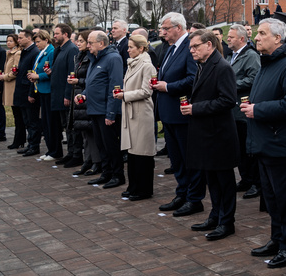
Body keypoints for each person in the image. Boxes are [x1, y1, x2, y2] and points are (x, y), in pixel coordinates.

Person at [241, 17, 286, 269]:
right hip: (265, 142)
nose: (256, 38)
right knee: (271, 199)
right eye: (257, 33)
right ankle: (277, 239)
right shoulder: (267, 63)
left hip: (282, 145)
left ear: (278, 39)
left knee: (285, 200)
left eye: (262, 33)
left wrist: (258, 110)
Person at [180, 29, 239, 240]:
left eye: (196, 46)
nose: (192, 51)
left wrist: (196, 108)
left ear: (209, 45)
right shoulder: (202, 65)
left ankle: (227, 221)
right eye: (190, 47)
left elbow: (228, 101)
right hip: (206, 134)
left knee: (224, 181)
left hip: (219, 135)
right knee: (211, 179)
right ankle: (215, 215)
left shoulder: (222, 67)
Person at [154, 13, 203, 217]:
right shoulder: (170, 48)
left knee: (188, 158)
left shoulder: (188, 47)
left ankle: (194, 199)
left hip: (182, 113)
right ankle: (181, 193)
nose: (162, 32)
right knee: (176, 160)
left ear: (178, 27)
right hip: (168, 113)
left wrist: (168, 87)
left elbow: (193, 78)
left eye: (166, 29)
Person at [117, 33, 157, 201]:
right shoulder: (132, 64)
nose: (128, 50)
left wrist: (125, 95)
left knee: (142, 154)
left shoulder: (147, 66)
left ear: (141, 48)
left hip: (141, 114)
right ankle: (133, 186)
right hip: (131, 112)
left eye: (131, 47)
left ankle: (144, 189)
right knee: (132, 153)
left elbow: (147, 91)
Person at [83, 30, 125, 188]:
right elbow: (94, 81)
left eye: (90, 43)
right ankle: (106, 173)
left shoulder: (113, 58)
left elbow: (115, 87)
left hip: (106, 111)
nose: (88, 46)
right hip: (94, 109)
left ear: (101, 44)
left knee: (111, 145)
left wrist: (111, 113)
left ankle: (117, 175)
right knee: (101, 144)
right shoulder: (94, 58)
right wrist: (85, 94)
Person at [227, 24, 261, 199]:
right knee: (239, 148)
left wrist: (231, 85)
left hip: (244, 109)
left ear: (242, 39)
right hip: (234, 110)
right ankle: (245, 178)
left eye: (231, 37)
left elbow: (254, 78)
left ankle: (256, 182)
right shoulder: (232, 56)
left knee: (249, 149)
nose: (228, 39)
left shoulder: (251, 56)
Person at [67, 30, 99, 175]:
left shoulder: (91, 58)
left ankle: (96, 161)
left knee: (90, 132)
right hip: (79, 96)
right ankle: (88, 160)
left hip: (87, 97)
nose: (77, 43)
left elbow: (94, 80)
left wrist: (78, 81)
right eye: (77, 40)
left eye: (81, 41)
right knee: (84, 132)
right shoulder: (79, 57)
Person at [48, 24, 77, 162]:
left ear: (65, 34)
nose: (54, 36)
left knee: (69, 126)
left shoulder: (71, 49)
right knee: (65, 126)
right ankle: (69, 153)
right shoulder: (59, 50)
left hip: (65, 95)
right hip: (57, 94)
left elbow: (71, 73)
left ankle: (73, 154)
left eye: (57, 33)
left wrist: (67, 95)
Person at [27, 30, 56, 159]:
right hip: (41, 89)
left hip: (48, 90)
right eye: (35, 42)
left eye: (38, 41)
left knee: (50, 122)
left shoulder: (51, 52)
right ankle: (50, 150)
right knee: (44, 121)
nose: (36, 44)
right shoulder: (41, 52)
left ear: (46, 40)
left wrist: (38, 76)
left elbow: (52, 71)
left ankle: (54, 150)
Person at [14, 30, 40, 155]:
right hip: (21, 91)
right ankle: (30, 144)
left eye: (20, 38)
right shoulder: (25, 52)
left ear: (29, 38)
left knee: (32, 120)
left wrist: (31, 93)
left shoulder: (34, 52)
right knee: (26, 120)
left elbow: (32, 74)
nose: (18, 40)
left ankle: (34, 146)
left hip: (28, 92)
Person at [0, 34, 20, 143]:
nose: (8, 43)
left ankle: (18, 139)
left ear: (16, 42)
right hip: (8, 85)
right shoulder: (9, 53)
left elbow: (15, 71)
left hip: (13, 86)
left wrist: (5, 76)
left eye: (11, 41)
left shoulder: (17, 54)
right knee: (15, 114)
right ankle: (17, 139)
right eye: (7, 41)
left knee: (18, 115)